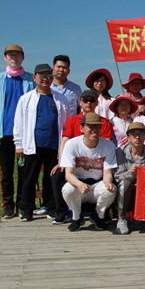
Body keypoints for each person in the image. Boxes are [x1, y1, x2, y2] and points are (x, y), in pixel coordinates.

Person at [13, 64, 70, 221]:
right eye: (42, 76)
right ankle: (26, 209)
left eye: (49, 76)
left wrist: (65, 146)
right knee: (29, 178)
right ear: (35, 77)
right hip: (32, 145)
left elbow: (66, 123)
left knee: (50, 179)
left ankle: (51, 207)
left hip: (54, 145)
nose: (46, 79)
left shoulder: (60, 99)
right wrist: (19, 145)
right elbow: (18, 123)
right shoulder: (26, 99)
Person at [0, 44, 36, 219]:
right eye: (10, 55)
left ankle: (23, 205)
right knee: (6, 173)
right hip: (4, 133)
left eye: (17, 55)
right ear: (5, 58)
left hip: (24, 134)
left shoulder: (30, 80)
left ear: (23, 57)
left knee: (24, 171)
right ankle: (8, 207)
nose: (14, 58)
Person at [50, 90, 116, 224]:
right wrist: (61, 161)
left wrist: (107, 181)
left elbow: (106, 144)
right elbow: (65, 140)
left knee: (111, 184)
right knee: (57, 175)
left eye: (92, 100)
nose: (88, 103)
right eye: (85, 100)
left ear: (97, 103)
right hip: (75, 161)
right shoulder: (72, 120)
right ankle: (63, 212)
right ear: (80, 102)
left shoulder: (104, 122)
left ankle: (101, 214)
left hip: (96, 164)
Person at [61, 113, 118, 232]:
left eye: (98, 126)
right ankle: (76, 217)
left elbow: (107, 173)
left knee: (110, 190)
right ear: (82, 128)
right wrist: (79, 184)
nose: (94, 130)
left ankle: (98, 216)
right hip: (79, 185)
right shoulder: (71, 144)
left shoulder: (109, 145)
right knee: (67, 190)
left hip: (97, 185)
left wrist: (108, 182)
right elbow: (68, 174)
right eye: (90, 126)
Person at [113, 122, 145, 235]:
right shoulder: (120, 153)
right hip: (124, 189)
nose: (137, 137)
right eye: (133, 134)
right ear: (128, 137)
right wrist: (131, 173)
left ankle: (139, 215)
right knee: (124, 183)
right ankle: (121, 218)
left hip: (140, 189)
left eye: (141, 134)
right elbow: (118, 176)